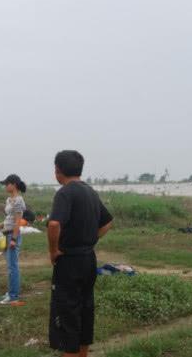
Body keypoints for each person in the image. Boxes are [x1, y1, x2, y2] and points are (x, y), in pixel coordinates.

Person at [47, 150, 113, 357]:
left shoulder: (65, 192)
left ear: (58, 170)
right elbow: (108, 221)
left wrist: (53, 250)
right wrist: (91, 239)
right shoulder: (90, 192)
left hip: (69, 261)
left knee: (67, 314)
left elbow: (54, 223)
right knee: (85, 309)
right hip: (88, 259)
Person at [0, 174, 26, 305]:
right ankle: (11, 291)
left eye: (7, 184)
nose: (5, 186)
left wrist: (14, 240)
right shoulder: (9, 200)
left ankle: (14, 296)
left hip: (12, 235)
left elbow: (17, 222)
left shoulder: (18, 201)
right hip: (7, 234)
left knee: (13, 267)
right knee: (10, 266)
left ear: (14, 185)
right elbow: (9, 219)